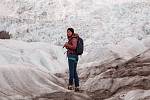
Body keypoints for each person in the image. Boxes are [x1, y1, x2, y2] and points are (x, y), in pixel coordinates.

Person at [63, 28, 80, 92]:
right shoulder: (73, 38)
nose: (68, 33)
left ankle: (70, 85)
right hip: (74, 56)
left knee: (71, 71)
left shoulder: (73, 39)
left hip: (72, 57)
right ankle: (77, 86)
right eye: (67, 32)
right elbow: (73, 47)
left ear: (72, 32)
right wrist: (67, 46)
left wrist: (67, 45)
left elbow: (74, 47)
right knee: (74, 71)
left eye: (69, 32)